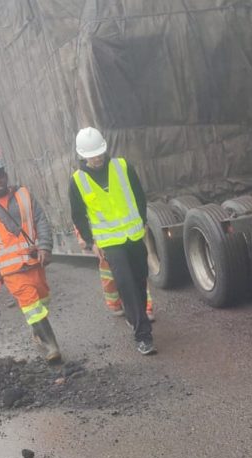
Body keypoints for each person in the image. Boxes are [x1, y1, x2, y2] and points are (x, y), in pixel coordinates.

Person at [69, 127, 156, 356]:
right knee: (125, 283)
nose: (96, 159)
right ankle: (143, 335)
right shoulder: (77, 181)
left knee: (139, 280)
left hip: (134, 235)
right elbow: (78, 214)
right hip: (110, 243)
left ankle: (133, 315)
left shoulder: (123, 167)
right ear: (82, 156)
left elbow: (139, 195)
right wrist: (91, 241)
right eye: (91, 155)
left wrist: (143, 221)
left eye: (98, 153)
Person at [0, 155, 62, 363]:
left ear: (5, 175)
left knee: (42, 300)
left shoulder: (24, 194)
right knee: (31, 305)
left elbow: (41, 220)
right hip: (11, 271)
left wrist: (45, 247)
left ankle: (38, 332)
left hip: (34, 262)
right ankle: (52, 347)